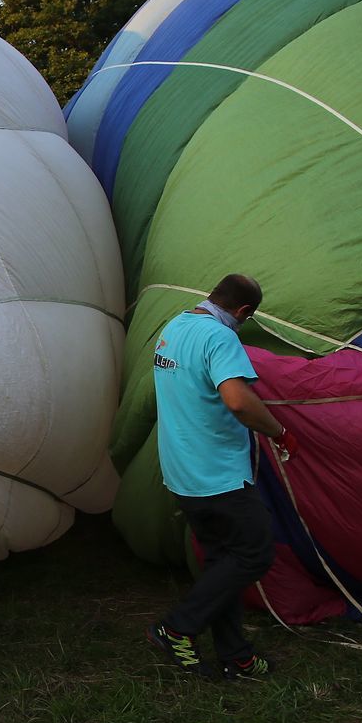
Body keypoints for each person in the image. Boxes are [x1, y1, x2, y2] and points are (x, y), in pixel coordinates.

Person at [147, 274, 298, 680]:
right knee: (254, 553)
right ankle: (177, 627)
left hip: (181, 471)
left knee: (223, 562)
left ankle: (237, 656)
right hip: (217, 474)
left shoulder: (174, 327)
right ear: (243, 311)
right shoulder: (220, 337)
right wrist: (280, 432)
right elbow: (238, 401)